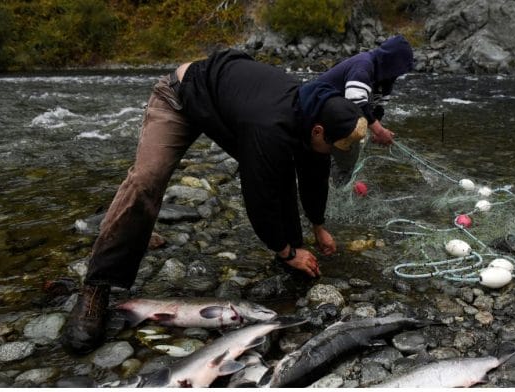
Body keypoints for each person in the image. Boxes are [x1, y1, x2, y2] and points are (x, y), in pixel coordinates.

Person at [60, 49, 367, 354]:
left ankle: (289, 249)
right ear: (318, 130)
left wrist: (318, 225)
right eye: (334, 145)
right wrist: (286, 251)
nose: (335, 152)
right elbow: (258, 196)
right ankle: (96, 286)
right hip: (180, 97)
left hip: (226, 108)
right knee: (146, 181)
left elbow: (313, 173)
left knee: (284, 166)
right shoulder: (270, 126)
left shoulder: (315, 110)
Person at [316, 35, 414, 184]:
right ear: (390, 61)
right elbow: (356, 103)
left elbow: (377, 111)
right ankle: (336, 184)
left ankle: (338, 182)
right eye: (400, 69)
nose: (399, 74)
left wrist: (374, 132)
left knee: (349, 156)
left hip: (339, 119)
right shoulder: (363, 65)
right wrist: (380, 131)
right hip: (317, 111)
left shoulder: (386, 80)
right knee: (338, 160)